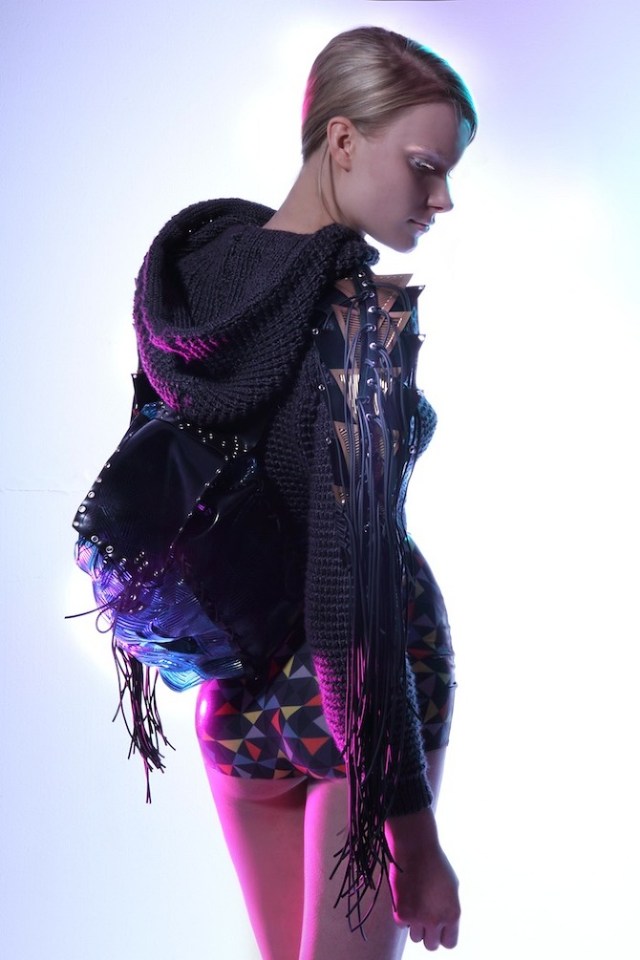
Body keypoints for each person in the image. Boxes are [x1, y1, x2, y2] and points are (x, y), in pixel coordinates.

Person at [133, 25, 476, 960]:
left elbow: (158, 480)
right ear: (342, 139)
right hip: (359, 707)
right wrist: (416, 842)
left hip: (236, 698)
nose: (442, 198)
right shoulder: (359, 322)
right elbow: (350, 603)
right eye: (424, 166)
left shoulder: (192, 285)